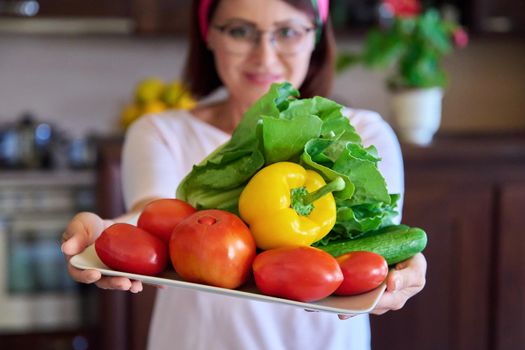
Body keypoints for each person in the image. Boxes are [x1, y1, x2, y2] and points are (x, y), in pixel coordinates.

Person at [61, 0, 427, 349]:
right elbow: (154, 217)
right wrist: (109, 234)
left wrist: (401, 269)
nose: (264, 55)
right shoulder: (159, 132)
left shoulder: (364, 134)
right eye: (240, 31)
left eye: (287, 32)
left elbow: (380, 241)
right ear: (209, 34)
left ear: (314, 35)